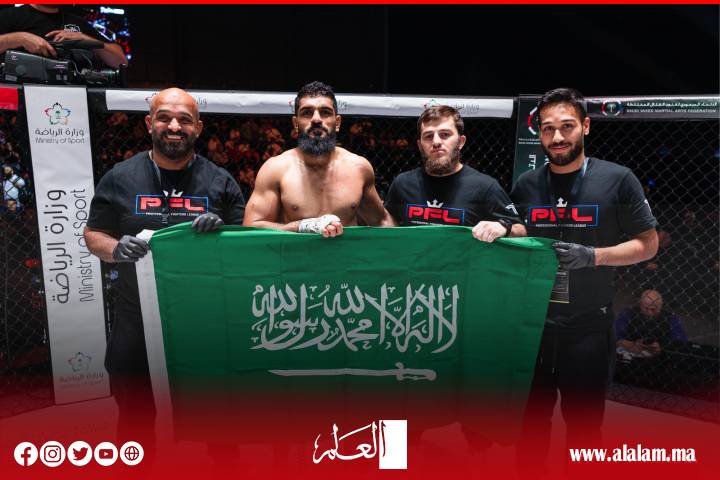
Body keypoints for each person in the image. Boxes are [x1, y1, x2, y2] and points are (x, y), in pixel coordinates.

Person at [84, 87, 245, 448]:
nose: (174, 126)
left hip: (204, 320)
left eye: (184, 120)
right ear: (149, 123)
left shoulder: (220, 182)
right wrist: (116, 248)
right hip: (136, 317)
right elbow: (94, 234)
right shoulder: (120, 177)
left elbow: (244, 246)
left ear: (198, 128)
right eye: (165, 118)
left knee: (219, 421)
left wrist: (223, 234)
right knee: (135, 418)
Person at [510, 88, 658, 472]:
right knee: (530, 427)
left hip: (588, 327)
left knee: (584, 431)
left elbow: (648, 244)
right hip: (535, 327)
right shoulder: (526, 185)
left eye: (567, 126)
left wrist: (594, 256)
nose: (557, 137)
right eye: (548, 129)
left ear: (586, 126)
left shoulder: (617, 179)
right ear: (539, 133)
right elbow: (517, 238)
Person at [243, 81, 395, 234]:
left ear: (337, 123)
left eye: (325, 112)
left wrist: (407, 243)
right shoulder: (275, 169)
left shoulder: (359, 168)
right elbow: (251, 227)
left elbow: (381, 222)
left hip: (345, 250)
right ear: (296, 123)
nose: (316, 119)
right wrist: (302, 226)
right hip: (296, 250)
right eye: (307, 113)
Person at [384, 105, 525, 241]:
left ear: (460, 142)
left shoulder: (485, 187)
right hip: (413, 258)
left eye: (445, 134)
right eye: (428, 136)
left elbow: (521, 230)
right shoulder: (403, 184)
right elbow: (387, 224)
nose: (436, 142)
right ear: (420, 145)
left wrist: (503, 227)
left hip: (464, 258)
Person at [0, 4, 127, 68]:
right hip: (21, 95)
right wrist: (19, 38)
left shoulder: (78, 22)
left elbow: (121, 61)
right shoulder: (10, 16)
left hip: (74, 95)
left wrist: (86, 39)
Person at [615, 289, 687, 358]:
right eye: (646, 308)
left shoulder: (670, 318)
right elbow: (614, 333)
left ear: (660, 307)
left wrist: (662, 346)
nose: (649, 312)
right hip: (630, 352)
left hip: (659, 357)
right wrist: (625, 343)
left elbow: (681, 340)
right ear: (640, 304)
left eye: (653, 309)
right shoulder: (628, 313)